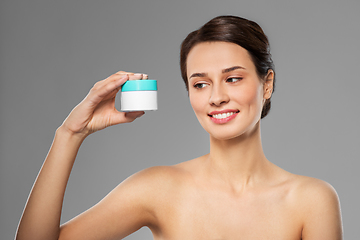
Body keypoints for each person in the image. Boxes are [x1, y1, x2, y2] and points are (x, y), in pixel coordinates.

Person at [16, 15, 343, 240]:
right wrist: (70, 133)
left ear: (266, 84)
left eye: (233, 78)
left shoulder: (311, 200)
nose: (216, 97)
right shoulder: (159, 189)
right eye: (200, 84)